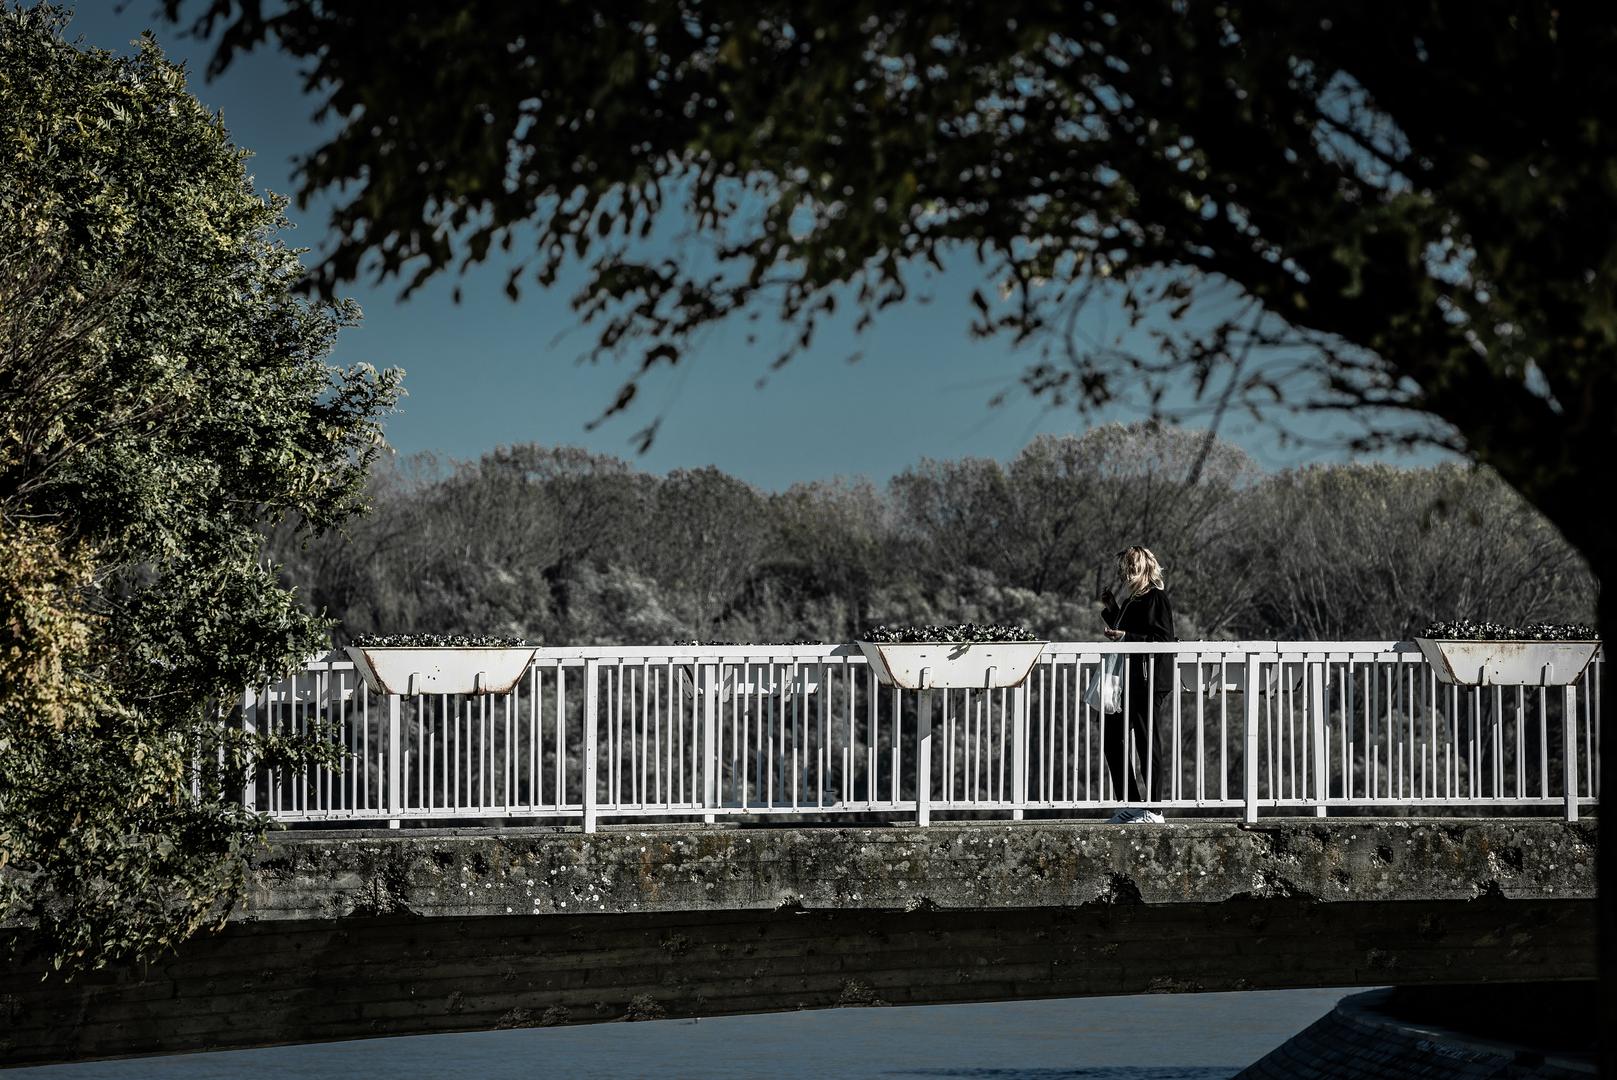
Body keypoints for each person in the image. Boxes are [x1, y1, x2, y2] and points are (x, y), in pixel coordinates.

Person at [1099, 546, 1177, 823]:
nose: (1127, 575)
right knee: (1112, 737)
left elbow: (1163, 640)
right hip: (1129, 680)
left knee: (1147, 742)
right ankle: (1132, 802)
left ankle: (1154, 809)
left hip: (1149, 679)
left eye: (1131, 569)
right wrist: (1112, 609)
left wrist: (1125, 636)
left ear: (1144, 568)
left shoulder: (1156, 597)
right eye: (1125, 570)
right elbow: (1129, 630)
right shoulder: (1134, 599)